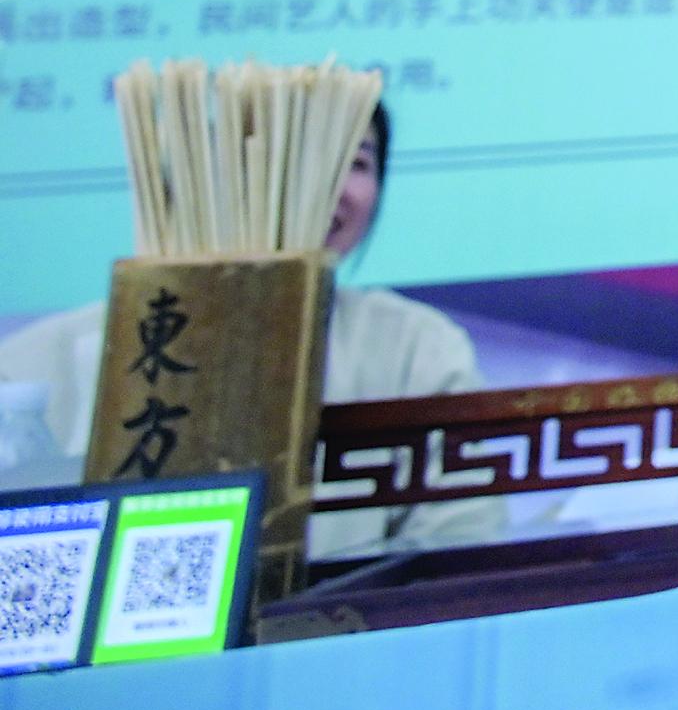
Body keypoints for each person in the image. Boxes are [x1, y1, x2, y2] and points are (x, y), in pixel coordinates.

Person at [0, 97, 506, 561]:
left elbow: (460, 544)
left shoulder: (419, 349)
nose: (322, 189)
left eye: (354, 163)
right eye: (288, 160)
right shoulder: (35, 362)